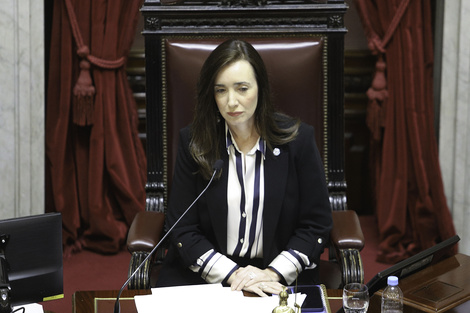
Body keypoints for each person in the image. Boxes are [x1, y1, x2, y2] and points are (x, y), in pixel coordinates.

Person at [155, 39, 332, 297]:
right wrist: (234, 275)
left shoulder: (298, 141)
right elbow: (182, 227)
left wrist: (271, 273)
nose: (231, 102)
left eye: (242, 88)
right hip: (208, 274)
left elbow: (316, 224)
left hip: (277, 276)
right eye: (221, 90)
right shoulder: (194, 142)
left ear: (260, 87)